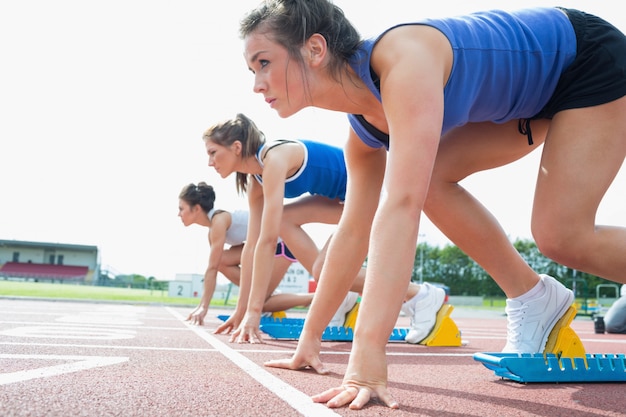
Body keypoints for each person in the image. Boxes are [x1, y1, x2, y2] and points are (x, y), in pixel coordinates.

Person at [239, 1, 626, 409]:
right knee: (433, 180)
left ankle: (536, 294)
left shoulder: (403, 60)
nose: (257, 84)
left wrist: (368, 353)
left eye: (264, 63)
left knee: (562, 235)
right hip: (533, 98)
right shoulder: (363, 135)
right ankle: (534, 297)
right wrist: (310, 339)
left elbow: (401, 205)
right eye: (252, 70)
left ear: (315, 50)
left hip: (583, 58)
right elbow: (352, 232)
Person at [203, 113, 446, 344]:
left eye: (213, 153)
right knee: (296, 235)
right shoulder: (255, 181)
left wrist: (254, 312)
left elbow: (268, 242)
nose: (210, 162)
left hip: (370, 190)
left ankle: (419, 295)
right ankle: (345, 296)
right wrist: (242, 309)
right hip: (342, 198)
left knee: (323, 270)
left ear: (236, 147)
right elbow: (252, 247)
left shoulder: (274, 159)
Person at [178, 181, 314, 326]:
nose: (179, 214)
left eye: (181, 209)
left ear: (196, 209)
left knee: (261, 303)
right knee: (221, 260)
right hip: (264, 245)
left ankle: (314, 298)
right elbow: (214, 266)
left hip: (282, 243)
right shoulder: (212, 230)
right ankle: (261, 293)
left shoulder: (219, 221)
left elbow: (211, 268)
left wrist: (203, 307)